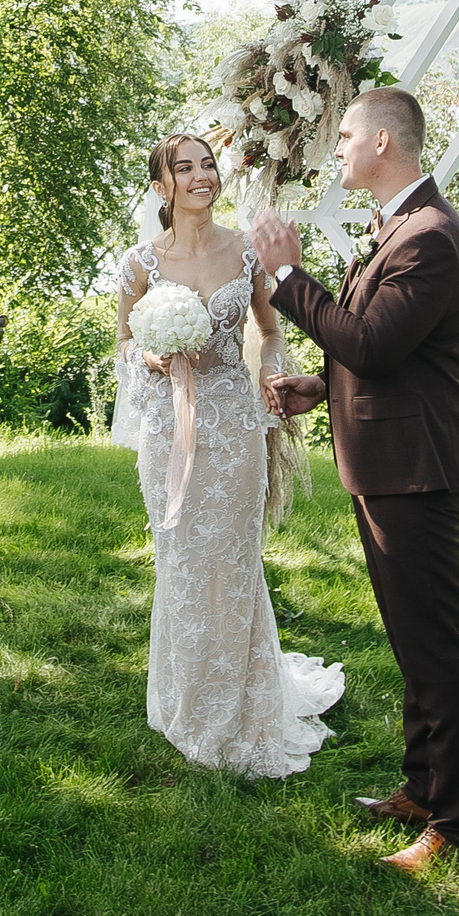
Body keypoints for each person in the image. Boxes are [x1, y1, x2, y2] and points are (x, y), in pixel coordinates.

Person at [248, 87, 459, 874]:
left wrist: (287, 274)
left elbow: (373, 341)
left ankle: (458, 823)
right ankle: (423, 787)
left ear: (387, 141)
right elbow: (383, 350)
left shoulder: (429, 235)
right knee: (412, 639)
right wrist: (319, 387)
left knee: (438, 648)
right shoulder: (399, 226)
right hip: (390, 461)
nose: (340, 145)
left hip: (415, 468)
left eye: (349, 132)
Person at [113, 132, 343, 777]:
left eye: (207, 164)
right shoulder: (138, 265)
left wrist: (271, 377)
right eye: (182, 169)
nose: (200, 176)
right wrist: (151, 356)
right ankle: (187, 701)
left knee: (233, 561)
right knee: (182, 561)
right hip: (167, 437)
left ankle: (243, 707)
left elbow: (269, 333)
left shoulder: (245, 253)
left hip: (234, 430)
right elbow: (123, 348)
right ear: (162, 187)